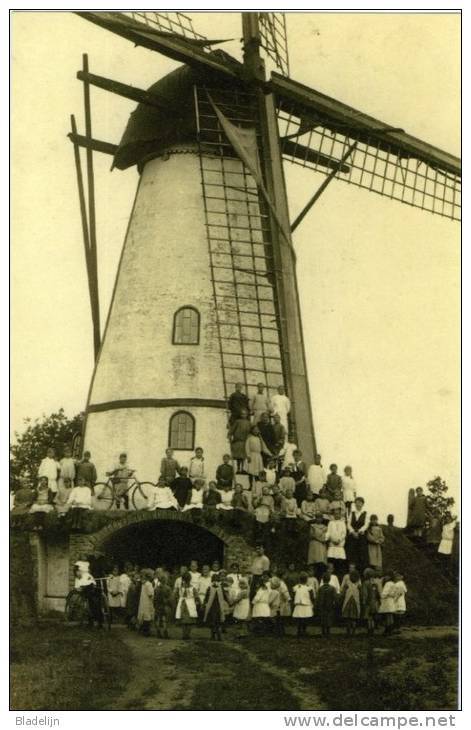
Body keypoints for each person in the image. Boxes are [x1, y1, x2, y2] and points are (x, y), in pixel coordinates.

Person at [346, 497, 368, 572]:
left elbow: (366, 525)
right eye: (356, 503)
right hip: (352, 537)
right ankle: (351, 571)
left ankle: (360, 572)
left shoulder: (365, 513)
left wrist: (359, 532)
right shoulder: (352, 513)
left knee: (361, 554)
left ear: (362, 504)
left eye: (360, 503)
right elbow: (348, 524)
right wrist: (352, 532)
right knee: (352, 554)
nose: (358, 504)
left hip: (361, 537)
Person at [175, 572, 199, 639]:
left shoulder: (190, 588)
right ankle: (186, 634)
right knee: (187, 620)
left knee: (187, 620)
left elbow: (196, 596)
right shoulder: (185, 588)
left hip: (186, 603)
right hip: (186, 603)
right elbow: (196, 596)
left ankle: (185, 634)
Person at [203, 573, 226, 640]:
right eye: (214, 580)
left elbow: (224, 596)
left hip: (219, 606)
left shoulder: (220, 588)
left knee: (218, 621)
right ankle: (213, 635)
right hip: (211, 606)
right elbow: (207, 596)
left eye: (217, 580)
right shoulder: (210, 588)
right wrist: (204, 603)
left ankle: (218, 635)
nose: (215, 582)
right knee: (213, 621)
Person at [292, 572, 314, 638]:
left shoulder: (296, 588)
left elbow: (293, 595)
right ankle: (303, 631)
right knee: (305, 619)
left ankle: (300, 631)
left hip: (300, 605)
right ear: (307, 579)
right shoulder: (308, 588)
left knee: (300, 619)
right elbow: (312, 597)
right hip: (305, 605)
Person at [229, 409, 251, 473]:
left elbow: (251, 431)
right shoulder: (237, 422)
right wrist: (230, 435)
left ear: (247, 415)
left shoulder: (249, 423)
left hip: (245, 442)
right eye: (242, 414)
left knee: (244, 457)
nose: (243, 415)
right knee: (239, 457)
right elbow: (232, 430)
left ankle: (243, 468)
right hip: (238, 441)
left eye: (245, 414)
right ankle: (238, 469)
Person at [326, 507, 347, 575]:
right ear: (333, 515)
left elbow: (344, 533)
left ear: (340, 515)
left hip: (340, 546)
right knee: (332, 563)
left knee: (339, 565)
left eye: (338, 514)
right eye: (335, 514)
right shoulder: (330, 523)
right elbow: (328, 533)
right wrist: (332, 540)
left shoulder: (343, 523)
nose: (336, 515)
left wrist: (339, 540)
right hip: (332, 546)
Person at [341, 569, 361, 636]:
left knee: (348, 617)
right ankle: (353, 632)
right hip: (355, 599)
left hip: (348, 599)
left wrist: (343, 591)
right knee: (354, 617)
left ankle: (348, 632)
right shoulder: (358, 580)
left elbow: (342, 588)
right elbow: (360, 587)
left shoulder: (347, 578)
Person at [361, 568, 381, 636]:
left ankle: (369, 630)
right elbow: (377, 593)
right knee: (372, 616)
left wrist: (363, 602)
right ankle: (372, 629)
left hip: (368, 602)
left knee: (369, 617)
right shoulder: (375, 583)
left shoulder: (365, 583)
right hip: (374, 602)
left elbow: (365, 594)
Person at [137, 569, 155, 636]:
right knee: (147, 616)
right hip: (148, 602)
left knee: (143, 615)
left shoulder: (143, 584)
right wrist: (153, 599)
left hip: (143, 601)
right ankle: (146, 631)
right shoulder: (149, 584)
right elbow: (150, 594)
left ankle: (142, 629)